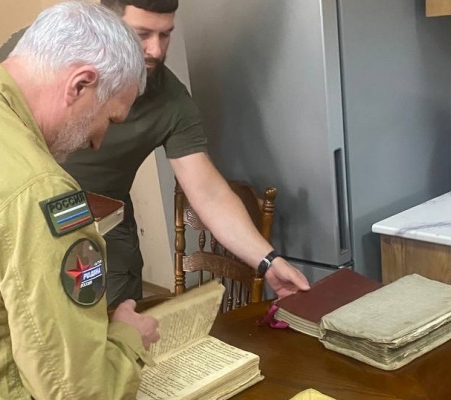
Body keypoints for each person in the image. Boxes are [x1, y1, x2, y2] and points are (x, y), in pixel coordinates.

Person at [0, 2, 160, 399]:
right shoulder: (44, 195)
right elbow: (76, 392)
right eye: (109, 119)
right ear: (80, 84)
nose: (98, 141)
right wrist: (128, 340)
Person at [62, 0, 311, 306]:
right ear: (107, 27)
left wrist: (268, 261)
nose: (155, 50)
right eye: (142, 34)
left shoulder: (172, 100)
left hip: (110, 228)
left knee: (119, 323)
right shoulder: (54, 59)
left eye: (165, 34)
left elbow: (209, 193)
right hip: (35, 215)